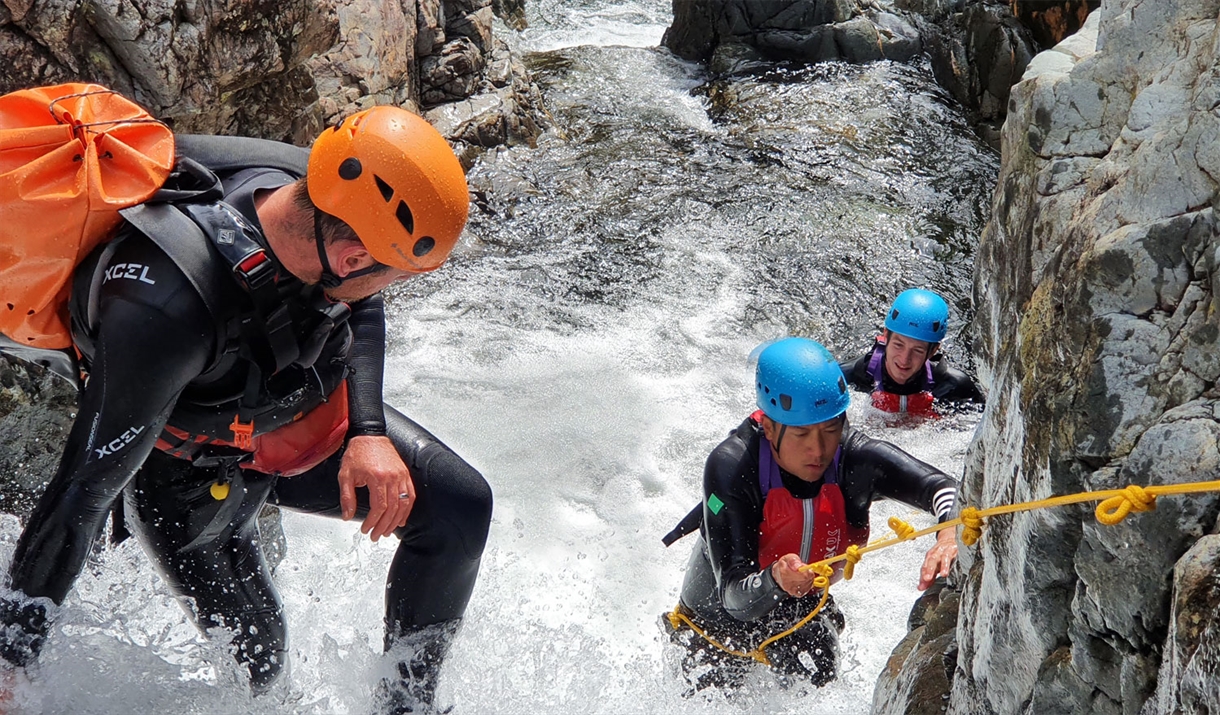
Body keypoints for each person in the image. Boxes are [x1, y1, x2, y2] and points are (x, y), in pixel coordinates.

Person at [0, 105, 492, 714]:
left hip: (289, 412)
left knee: (460, 508)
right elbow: (80, 492)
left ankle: (406, 710)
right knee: (263, 665)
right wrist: (12, 664)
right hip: (185, 475)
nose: (386, 290)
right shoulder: (167, 312)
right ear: (354, 260)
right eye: (394, 276)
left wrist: (367, 431)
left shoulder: (306, 188)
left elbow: (358, 304)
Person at [664, 337, 959, 690]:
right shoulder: (732, 466)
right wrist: (776, 578)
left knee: (820, 666)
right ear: (770, 428)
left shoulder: (854, 458)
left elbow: (941, 487)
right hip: (714, 626)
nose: (818, 450)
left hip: (795, 611)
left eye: (830, 429)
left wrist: (948, 532)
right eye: (801, 434)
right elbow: (733, 596)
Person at [839, 288, 983, 416]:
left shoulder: (953, 388)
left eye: (917, 350)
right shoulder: (849, 377)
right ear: (885, 336)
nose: (904, 359)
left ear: (933, 350)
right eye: (898, 345)